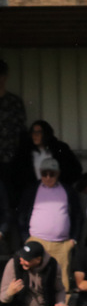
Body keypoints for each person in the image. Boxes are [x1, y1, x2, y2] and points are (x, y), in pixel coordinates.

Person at [12, 157, 83, 276]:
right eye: (45, 174)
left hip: (62, 245)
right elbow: (22, 215)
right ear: (40, 173)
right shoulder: (32, 190)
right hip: (36, 242)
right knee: (35, 279)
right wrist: (26, 238)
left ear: (58, 174)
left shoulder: (68, 191)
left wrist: (73, 240)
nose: (48, 177)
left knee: (62, 282)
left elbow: (78, 216)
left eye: (52, 174)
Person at [0, 60, 23, 211]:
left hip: (9, 163)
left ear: (5, 77)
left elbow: (21, 131)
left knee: (9, 205)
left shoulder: (14, 102)